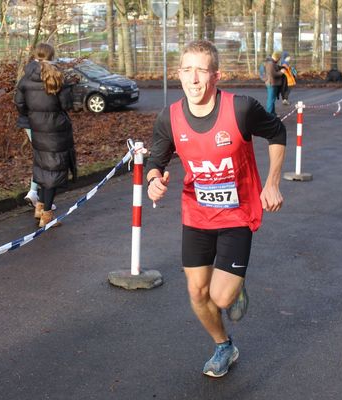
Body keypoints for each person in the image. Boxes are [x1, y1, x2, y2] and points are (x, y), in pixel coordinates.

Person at [146, 40, 286, 378]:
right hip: (197, 213)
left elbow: (278, 132)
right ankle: (224, 345)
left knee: (220, 298)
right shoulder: (171, 117)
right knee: (196, 291)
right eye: (186, 70)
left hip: (238, 213)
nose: (193, 79)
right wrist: (153, 178)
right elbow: (156, 159)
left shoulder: (240, 109)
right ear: (179, 74)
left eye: (201, 71)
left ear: (216, 76)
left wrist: (272, 183)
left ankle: (232, 287)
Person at [14, 43, 77, 227]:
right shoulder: (56, 77)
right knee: (53, 169)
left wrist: (32, 117)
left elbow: (19, 104)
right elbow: (66, 105)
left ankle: (40, 207)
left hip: (37, 128)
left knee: (43, 166)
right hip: (56, 129)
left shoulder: (25, 79)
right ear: (53, 56)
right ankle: (47, 216)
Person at [263, 51, 285, 115]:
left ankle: (273, 113)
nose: (279, 60)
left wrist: (281, 67)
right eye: (279, 58)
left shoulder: (272, 62)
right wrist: (281, 72)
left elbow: (275, 69)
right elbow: (273, 74)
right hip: (272, 83)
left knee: (272, 99)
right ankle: (269, 115)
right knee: (271, 100)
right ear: (277, 57)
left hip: (273, 83)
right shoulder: (270, 63)